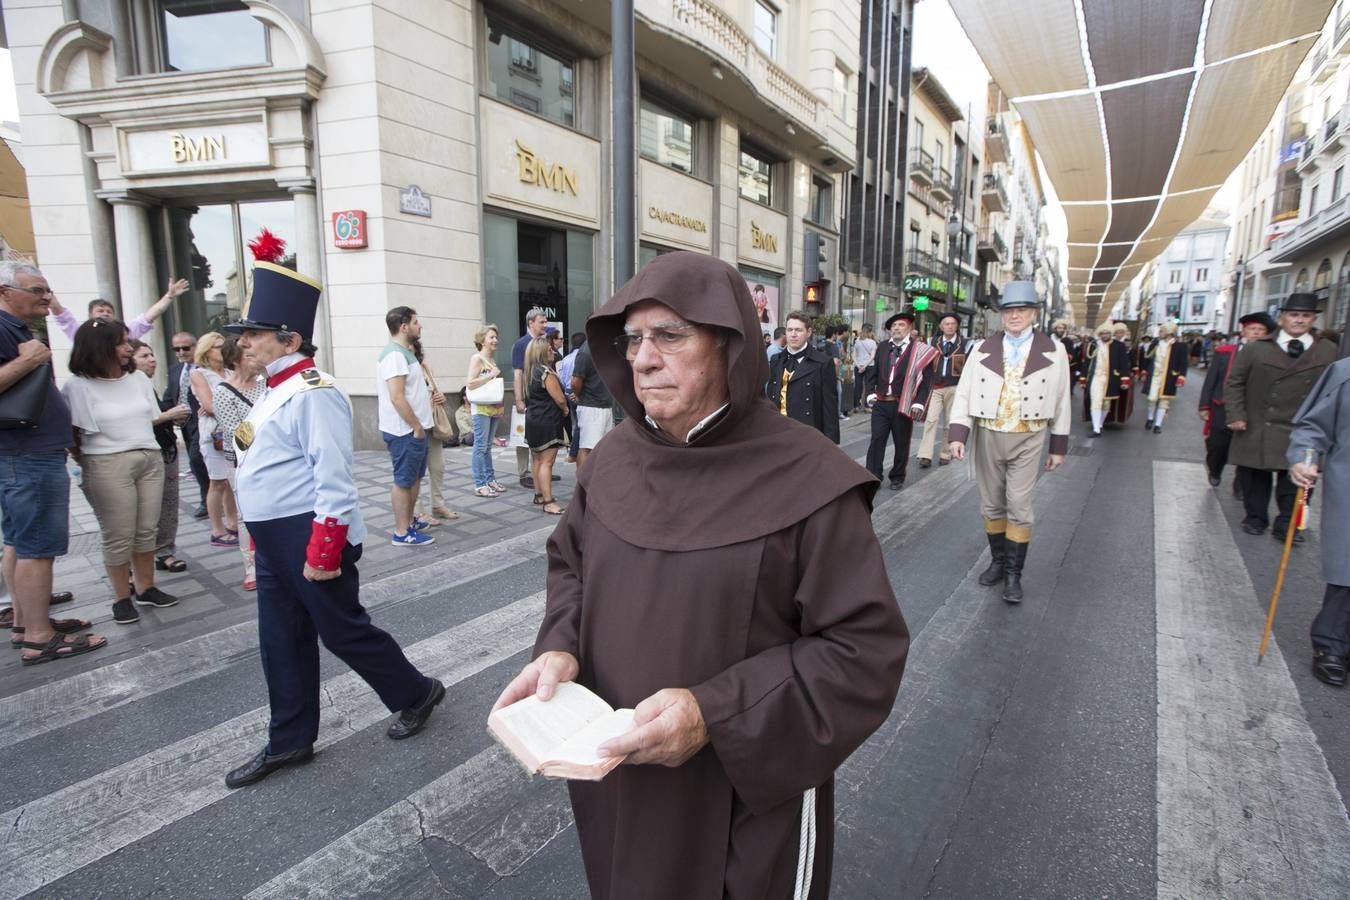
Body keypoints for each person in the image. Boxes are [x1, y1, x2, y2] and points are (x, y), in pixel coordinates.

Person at [490, 251, 907, 899]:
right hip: (619, 778)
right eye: (633, 340)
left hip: (740, 791)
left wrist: (715, 714)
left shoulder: (810, 478)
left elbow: (863, 653)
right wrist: (559, 646)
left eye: (670, 336)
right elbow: (571, 565)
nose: (643, 359)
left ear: (729, 347)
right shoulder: (613, 458)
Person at [221, 262, 444, 788]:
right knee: (280, 639)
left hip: (309, 532)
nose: (244, 342)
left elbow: (334, 479)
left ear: (289, 339)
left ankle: (417, 693)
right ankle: (289, 739)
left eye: (254, 333)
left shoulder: (313, 391)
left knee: (343, 631)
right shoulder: (274, 388)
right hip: (274, 536)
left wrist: (323, 551)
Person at [0, 262, 106, 664]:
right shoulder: (4, 329)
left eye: (47, 289)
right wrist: (27, 362)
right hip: (25, 454)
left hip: (27, 453)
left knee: (19, 542)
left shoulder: (16, 328)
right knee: (36, 547)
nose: (47, 296)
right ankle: (39, 638)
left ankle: (27, 622)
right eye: (37, 290)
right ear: (5, 291)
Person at [947, 281, 1072, 603]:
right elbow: (964, 392)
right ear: (1001, 315)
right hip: (988, 433)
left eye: (1022, 310)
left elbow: (1062, 399)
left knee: (1018, 504)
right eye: (1009, 311)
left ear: (1033, 314)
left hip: (1029, 435)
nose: (1015, 316)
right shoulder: (982, 348)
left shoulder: (1054, 350)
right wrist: (958, 435)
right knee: (991, 503)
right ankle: (999, 562)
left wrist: (1058, 446)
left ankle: (1014, 574)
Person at [63, 319, 180, 623]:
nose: (129, 348)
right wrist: (87, 463)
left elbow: (150, 417)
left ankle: (146, 587)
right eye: (121, 342)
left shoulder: (137, 379)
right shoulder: (77, 385)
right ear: (99, 347)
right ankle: (121, 598)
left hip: (149, 458)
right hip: (105, 462)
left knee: (146, 530)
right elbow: (73, 435)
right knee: (118, 534)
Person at [1226, 292, 1339, 542]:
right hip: (1258, 422)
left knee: (1299, 478)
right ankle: (1255, 517)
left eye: (1306, 316)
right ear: (1282, 318)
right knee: (1255, 475)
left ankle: (1288, 524)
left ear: (1313, 320)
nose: (1299, 320)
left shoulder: (1328, 351)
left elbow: (1336, 388)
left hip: (1306, 426)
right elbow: (1235, 382)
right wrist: (1236, 414)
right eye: (1294, 314)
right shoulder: (1256, 348)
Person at [1289, 357, 1350, 686]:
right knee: (1347, 571)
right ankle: (1331, 644)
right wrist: (1304, 457)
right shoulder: (1345, 373)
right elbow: (1313, 427)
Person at [128, 340, 191, 574]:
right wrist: (167, 415)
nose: (152, 359)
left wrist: (172, 417)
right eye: (144, 356)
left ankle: (164, 551)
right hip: (140, 455)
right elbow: (131, 421)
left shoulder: (148, 383)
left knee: (168, 504)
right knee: (139, 511)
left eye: (152, 354)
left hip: (166, 450)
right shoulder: (125, 386)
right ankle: (132, 564)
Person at [376, 306, 436, 547]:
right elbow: (397, 397)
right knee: (404, 480)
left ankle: (409, 521)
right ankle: (402, 532)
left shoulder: (403, 353)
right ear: (403, 326)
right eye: (415, 322)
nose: (420, 326)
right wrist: (416, 427)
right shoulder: (394, 356)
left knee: (414, 478)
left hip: (413, 430)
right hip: (405, 431)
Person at [212, 336, 267, 590]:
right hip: (243, 463)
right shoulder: (223, 391)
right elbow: (236, 435)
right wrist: (264, 427)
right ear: (235, 360)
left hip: (272, 459)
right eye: (248, 354)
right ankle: (251, 568)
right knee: (247, 515)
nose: (255, 358)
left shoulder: (266, 383)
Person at [1200, 313, 1275, 488]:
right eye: (1252, 329)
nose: (1256, 332)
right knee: (1217, 445)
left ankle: (1241, 483)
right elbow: (1211, 380)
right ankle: (1215, 470)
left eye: (1261, 330)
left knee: (1248, 448)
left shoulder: (1272, 356)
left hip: (1253, 410)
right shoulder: (1224, 353)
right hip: (1222, 406)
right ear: (1244, 331)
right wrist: (1204, 405)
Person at [865, 310, 938, 489]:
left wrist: (919, 402)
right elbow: (873, 372)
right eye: (894, 326)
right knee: (876, 440)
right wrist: (870, 392)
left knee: (901, 442)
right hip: (881, 403)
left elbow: (927, 380)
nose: (896, 328)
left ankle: (897, 477)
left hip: (903, 403)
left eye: (901, 325)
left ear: (909, 328)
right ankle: (873, 476)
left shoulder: (919, 350)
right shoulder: (882, 346)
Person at [190, 331, 241, 548]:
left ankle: (232, 522)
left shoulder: (231, 371)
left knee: (230, 480)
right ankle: (217, 530)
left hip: (233, 432)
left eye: (223, 346)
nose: (222, 350)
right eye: (217, 346)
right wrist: (230, 406)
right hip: (213, 435)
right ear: (206, 351)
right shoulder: (199, 373)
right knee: (217, 481)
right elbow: (208, 405)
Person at [766, 311, 840, 442]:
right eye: (790, 330)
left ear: (808, 332)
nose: (793, 334)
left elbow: (830, 407)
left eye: (798, 330)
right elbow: (771, 397)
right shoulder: (776, 360)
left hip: (807, 434)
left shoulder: (823, 362)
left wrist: (830, 443)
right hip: (777, 433)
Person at [47, 278, 190, 342]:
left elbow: (149, 316)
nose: (105, 313)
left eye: (109, 311)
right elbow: (62, 316)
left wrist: (169, 296)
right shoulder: (80, 334)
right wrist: (46, 293)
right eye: (100, 311)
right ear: (90, 315)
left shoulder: (124, 333)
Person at [409, 336, 457, 525]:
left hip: (432, 423)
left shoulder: (424, 367)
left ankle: (438, 505)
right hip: (415, 425)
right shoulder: (403, 370)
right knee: (417, 471)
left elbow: (434, 391)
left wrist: (440, 397)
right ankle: (418, 512)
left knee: (437, 466)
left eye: (413, 348)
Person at [917, 312, 972, 468]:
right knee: (931, 420)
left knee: (949, 422)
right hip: (935, 387)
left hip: (955, 387)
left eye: (953, 324)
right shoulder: (932, 341)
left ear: (957, 326)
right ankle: (925, 455)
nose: (950, 326)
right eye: (946, 324)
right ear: (941, 326)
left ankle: (945, 453)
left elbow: (970, 368)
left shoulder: (966, 344)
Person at [164, 330, 209, 519]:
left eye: (185, 348)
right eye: (176, 349)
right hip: (184, 424)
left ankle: (208, 500)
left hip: (203, 419)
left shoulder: (206, 367)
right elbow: (170, 395)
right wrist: (167, 413)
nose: (181, 352)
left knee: (196, 459)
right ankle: (208, 497)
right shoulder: (175, 370)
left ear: (196, 346)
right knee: (196, 461)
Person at [525, 335, 568, 515]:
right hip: (548, 421)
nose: (553, 352)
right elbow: (559, 399)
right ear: (542, 353)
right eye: (550, 350)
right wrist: (565, 408)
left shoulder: (530, 372)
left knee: (537, 459)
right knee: (547, 462)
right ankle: (549, 502)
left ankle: (539, 495)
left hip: (533, 420)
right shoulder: (546, 373)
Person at [467, 323, 507, 497]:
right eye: (491, 337)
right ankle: (480, 484)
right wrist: (492, 374)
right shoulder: (477, 358)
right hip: (481, 409)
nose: (495, 340)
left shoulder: (491, 360)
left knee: (488, 447)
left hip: (493, 409)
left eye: (496, 337)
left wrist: (500, 407)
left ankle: (490, 480)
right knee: (480, 446)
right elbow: (470, 383)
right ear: (482, 341)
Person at [512, 308, 550, 489]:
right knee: (522, 435)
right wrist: (519, 399)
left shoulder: (544, 342)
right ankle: (524, 473)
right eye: (542, 322)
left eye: (545, 321)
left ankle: (541, 468)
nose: (545, 325)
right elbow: (517, 374)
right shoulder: (521, 344)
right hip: (528, 397)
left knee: (540, 434)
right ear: (531, 323)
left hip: (542, 398)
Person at [1080, 322, 1131, 437]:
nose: (1105, 335)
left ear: (1111, 333)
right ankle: (1096, 429)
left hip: (1111, 378)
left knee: (1106, 403)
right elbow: (1086, 362)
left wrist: (1124, 380)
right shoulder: (1093, 345)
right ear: (1099, 334)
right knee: (1095, 402)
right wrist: (1083, 378)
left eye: (1107, 333)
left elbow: (1123, 364)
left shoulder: (1119, 345)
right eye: (1102, 333)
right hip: (1095, 378)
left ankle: (1100, 424)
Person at [570, 338, 615, 467]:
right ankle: (583, 479)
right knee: (587, 447)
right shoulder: (586, 351)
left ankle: (595, 477)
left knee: (602, 447)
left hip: (604, 405)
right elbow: (575, 382)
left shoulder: (605, 347)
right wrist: (578, 395)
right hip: (591, 406)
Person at [1141, 321, 1188, 433]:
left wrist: (1181, 377)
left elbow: (1183, 363)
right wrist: (1144, 371)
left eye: (1162, 330)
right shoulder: (1155, 344)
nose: (1160, 332)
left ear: (1170, 332)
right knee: (1151, 399)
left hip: (1169, 377)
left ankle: (1158, 425)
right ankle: (1150, 418)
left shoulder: (1180, 346)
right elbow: (1147, 359)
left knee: (1164, 400)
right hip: (1154, 376)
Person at [852, 322, 877, 411]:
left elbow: (853, 355)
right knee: (869, 386)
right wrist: (865, 366)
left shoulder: (857, 341)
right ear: (870, 332)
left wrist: (859, 366)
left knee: (858, 386)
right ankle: (868, 406)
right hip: (869, 366)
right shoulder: (873, 342)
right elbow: (872, 357)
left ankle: (856, 405)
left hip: (858, 366)